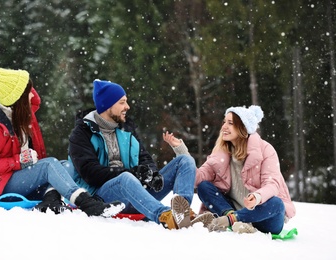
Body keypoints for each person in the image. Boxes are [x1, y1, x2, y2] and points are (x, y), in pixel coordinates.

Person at [0, 67, 124, 218]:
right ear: (18, 98)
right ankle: (88, 203)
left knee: (65, 165)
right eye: (27, 91)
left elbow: (35, 100)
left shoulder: (22, 115)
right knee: (49, 165)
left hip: (11, 178)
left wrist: (23, 85)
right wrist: (17, 161)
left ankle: (50, 199)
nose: (32, 94)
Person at [68, 79, 210, 230]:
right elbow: (90, 173)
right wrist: (131, 172)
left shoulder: (126, 129)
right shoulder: (82, 133)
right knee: (125, 178)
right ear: (107, 105)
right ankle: (165, 216)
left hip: (137, 193)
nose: (127, 107)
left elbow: (144, 157)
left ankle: (182, 213)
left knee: (185, 161)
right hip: (102, 198)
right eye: (122, 102)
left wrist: (152, 174)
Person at [163, 105, 296, 234]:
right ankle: (232, 217)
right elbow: (197, 179)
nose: (224, 127)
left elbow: (272, 185)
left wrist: (257, 197)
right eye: (224, 122)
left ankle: (232, 219)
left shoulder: (266, 150)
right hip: (232, 210)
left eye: (230, 123)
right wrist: (182, 151)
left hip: (263, 216)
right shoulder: (221, 153)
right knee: (204, 187)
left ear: (243, 127)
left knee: (277, 203)